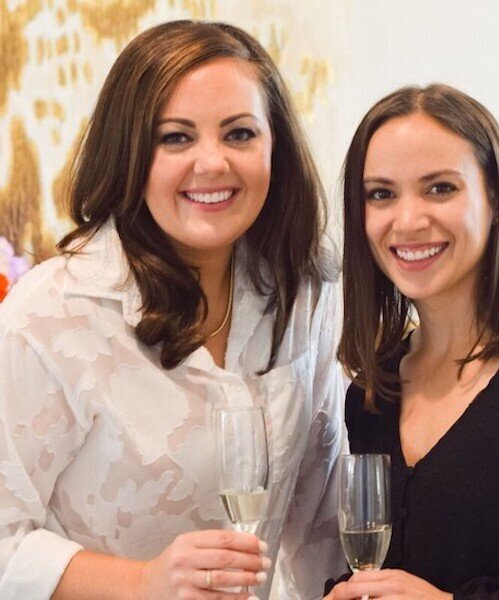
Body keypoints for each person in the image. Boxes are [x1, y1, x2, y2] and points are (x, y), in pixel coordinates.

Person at [0, 20, 347, 599]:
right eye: (176, 138)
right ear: (130, 152)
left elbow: (319, 529)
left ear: (275, 148)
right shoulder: (52, 313)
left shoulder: (305, 293)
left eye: (239, 134)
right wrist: (145, 582)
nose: (212, 164)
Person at [325, 84, 499, 599]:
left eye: (439, 188)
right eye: (381, 194)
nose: (408, 221)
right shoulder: (372, 395)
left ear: (494, 199)